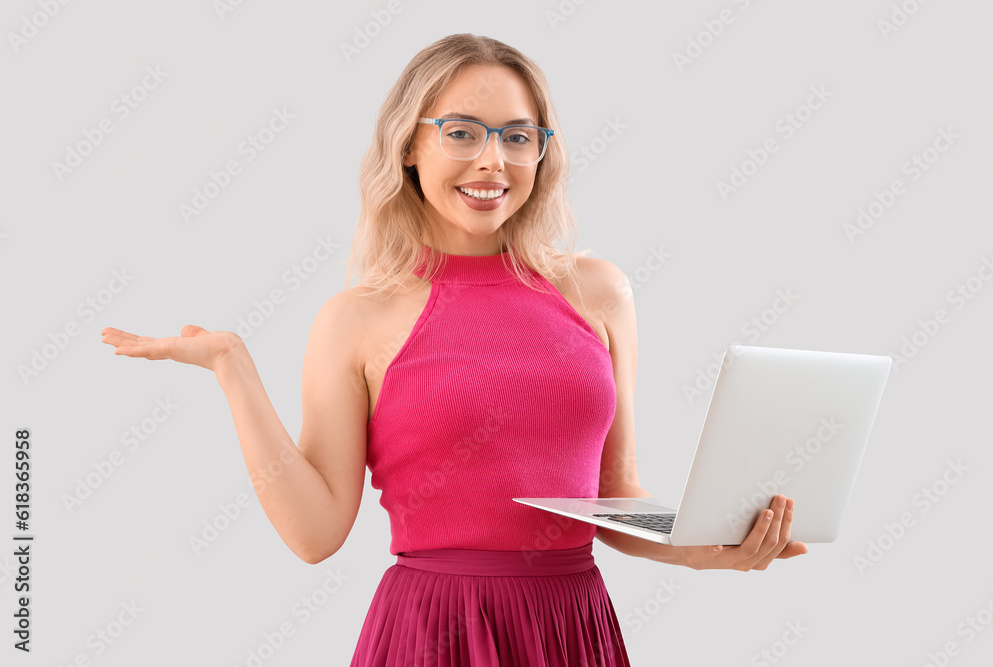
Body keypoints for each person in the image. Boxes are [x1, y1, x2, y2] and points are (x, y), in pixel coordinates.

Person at [101, 33, 807, 666]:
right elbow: (315, 532)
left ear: (542, 150)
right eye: (462, 132)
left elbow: (615, 496)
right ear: (410, 145)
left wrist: (710, 546)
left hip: (572, 628)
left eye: (518, 136)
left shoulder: (600, 291)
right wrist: (234, 370)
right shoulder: (355, 319)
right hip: (433, 630)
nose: (493, 160)